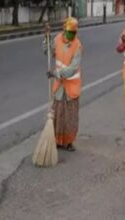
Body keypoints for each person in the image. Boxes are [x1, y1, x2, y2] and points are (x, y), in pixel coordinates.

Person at [44, 17, 82, 152]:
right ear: (64, 30)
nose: (72, 35)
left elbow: (73, 68)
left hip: (71, 87)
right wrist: (46, 38)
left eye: (74, 32)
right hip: (59, 87)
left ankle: (69, 141)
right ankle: (58, 140)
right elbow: (48, 51)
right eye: (70, 32)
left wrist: (56, 74)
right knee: (58, 115)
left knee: (70, 116)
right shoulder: (57, 40)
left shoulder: (77, 46)